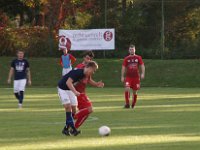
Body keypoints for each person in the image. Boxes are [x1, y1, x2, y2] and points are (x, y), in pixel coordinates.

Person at [57, 61, 99, 136]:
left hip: (70, 90)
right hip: (63, 88)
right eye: (93, 70)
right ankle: (73, 129)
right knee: (68, 107)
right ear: (89, 68)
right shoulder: (78, 72)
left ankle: (66, 129)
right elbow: (68, 82)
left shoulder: (84, 74)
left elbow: (86, 81)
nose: (93, 72)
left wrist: (96, 84)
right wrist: (75, 92)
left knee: (74, 110)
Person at [74, 51, 104, 129]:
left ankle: (73, 128)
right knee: (89, 109)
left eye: (90, 59)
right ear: (84, 57)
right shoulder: (80, 67)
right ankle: (72, 117)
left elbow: (89, 80)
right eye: (87, 58)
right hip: (77, 93)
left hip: (82, 93)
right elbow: (73, 78)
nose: (88, 60)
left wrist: (97, 84)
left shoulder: (89, 69)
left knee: (86, 114)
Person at [121, 44, 145, 109]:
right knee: (127, 88)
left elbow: (142, 65)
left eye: (133, 49)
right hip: (128, 77)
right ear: (129, 50)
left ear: (135, 50)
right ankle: (127, 104)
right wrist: (122, 76)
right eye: (130, 49)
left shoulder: (138, 58)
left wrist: (142, 73)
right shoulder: (126, 58)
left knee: (135, 91)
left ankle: (133, 104)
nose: (132, 50)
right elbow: (123, 67)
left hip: (136, 77)